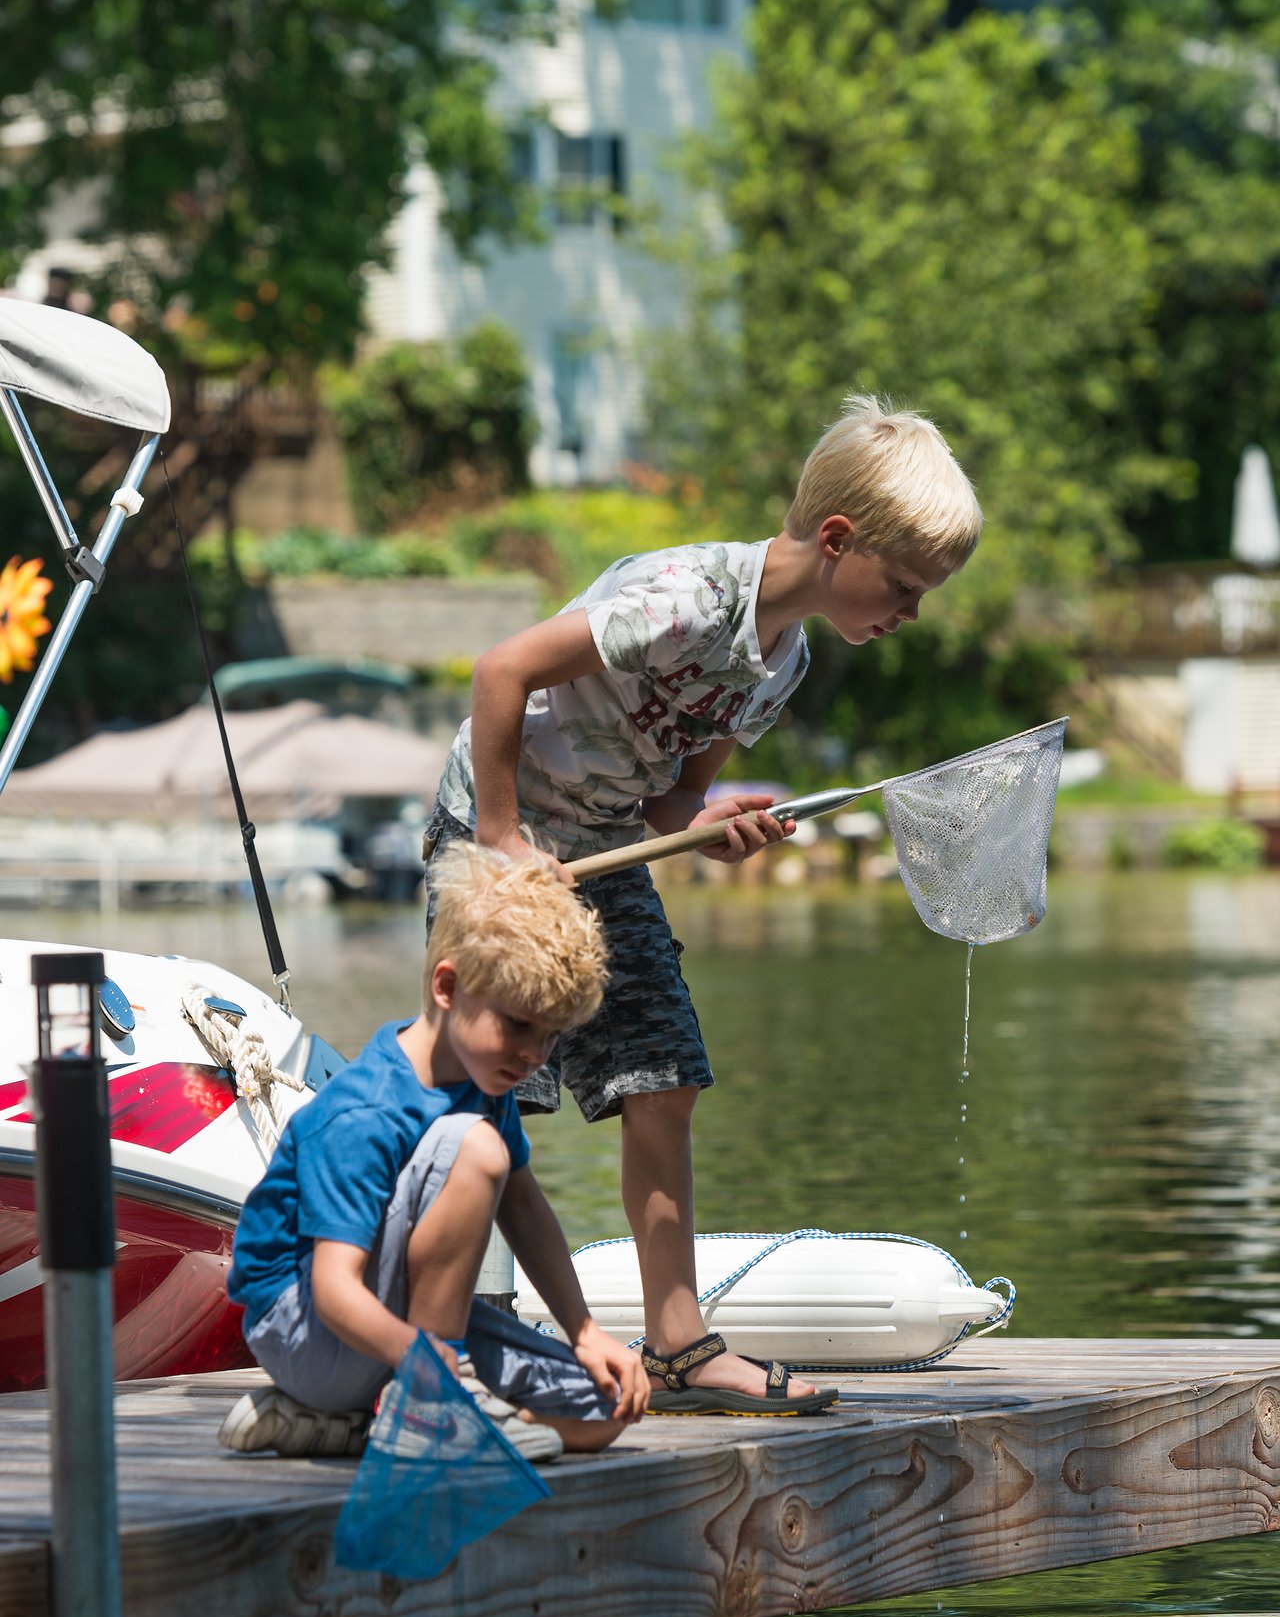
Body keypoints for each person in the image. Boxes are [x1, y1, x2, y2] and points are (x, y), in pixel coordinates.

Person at [422, 392, 983, 1418]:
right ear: (836, 538)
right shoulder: (682, 601)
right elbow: (501, 672)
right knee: (490, 1093)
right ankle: (439, 1337)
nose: (909, 611)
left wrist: (714, 824)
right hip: (497, 831)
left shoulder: (783, 660)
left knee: (663, 1078)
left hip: (601, 848)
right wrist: (499, 843)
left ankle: (675, 1344)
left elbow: (671, 797)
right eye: (902, 585)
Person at [219, 843, 649, 1463]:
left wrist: (585, 1334)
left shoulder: (484, 1075)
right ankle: (426, 1407)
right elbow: (335, 1288)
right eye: (519, 1025)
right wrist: (427, 1364)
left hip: (392, 1333)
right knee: (476, 1150)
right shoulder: (364, 1110)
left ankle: (346, 1426)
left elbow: (525, 1211)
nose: (536, 1056)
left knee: (606, 1406)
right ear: (448, 986)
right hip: (309, 1330)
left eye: (553, 1036)